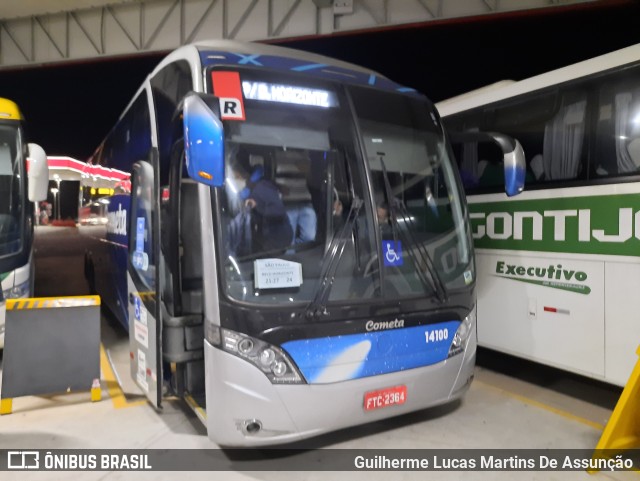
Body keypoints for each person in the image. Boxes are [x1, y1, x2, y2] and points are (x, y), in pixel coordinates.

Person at [229, 149, 292, 256]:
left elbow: (276, 212)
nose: (235, 179)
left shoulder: (256, 189)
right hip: (280, 236)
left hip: (275, 238)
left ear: (240, 175)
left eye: (236, 176)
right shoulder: (261, 183)